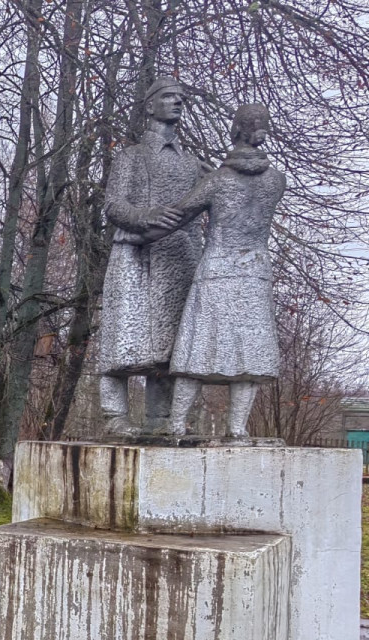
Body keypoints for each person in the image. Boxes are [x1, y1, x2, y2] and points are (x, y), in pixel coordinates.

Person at [164, 103, 286, 437]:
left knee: (195, 351)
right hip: (255, 271)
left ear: (235, 130)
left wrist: (137, 226)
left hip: (217, 269)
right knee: (250, 356)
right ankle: (237, 429)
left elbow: (178, 213)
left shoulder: (218, 181)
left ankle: (176, 425)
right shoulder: (277, 180)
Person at [96, 76, 204, 435]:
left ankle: (161, 419)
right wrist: (145, 217)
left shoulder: (192, 164)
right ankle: (115, 417)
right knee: (123, 338)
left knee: (172, 346)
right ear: (149, 105)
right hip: (135, 253)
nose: (177, 103)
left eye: (181, 98)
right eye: (169, 97)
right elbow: (113, 205)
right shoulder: (132, 156)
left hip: (178, 257)